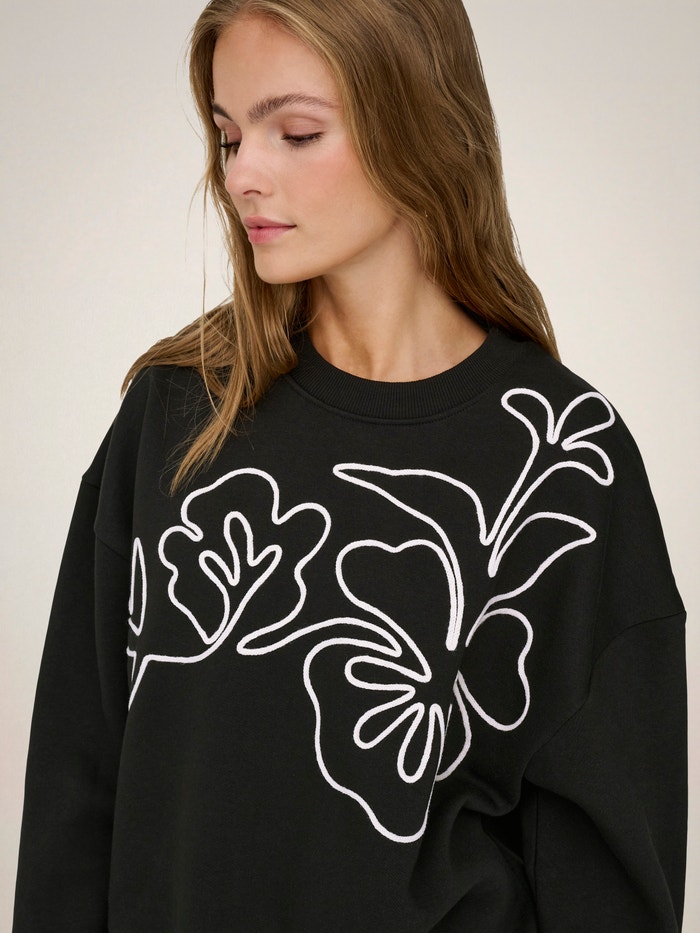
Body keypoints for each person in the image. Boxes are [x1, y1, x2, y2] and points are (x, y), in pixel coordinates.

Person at [13, 0, 686, 930]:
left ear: (419, 123)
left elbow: (610, 879)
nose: (241, 174)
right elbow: (72, 801)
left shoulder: (567, 457)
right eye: (228, 136)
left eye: (295, 133)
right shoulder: (176, 417)